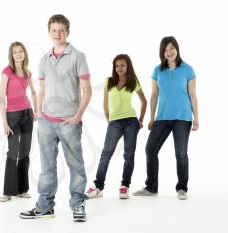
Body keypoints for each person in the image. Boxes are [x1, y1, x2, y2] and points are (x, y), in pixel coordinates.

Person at [19, 14, 92, 222]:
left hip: (69, 121)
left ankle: (78, 204)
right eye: (54, 30)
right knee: (46, 167)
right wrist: (38, 111)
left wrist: (78, 116)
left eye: (61, 30)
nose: (57, 33)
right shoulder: (44, 59)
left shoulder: (78, 56)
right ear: (49, 32)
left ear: (68, 32)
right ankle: (45, 206)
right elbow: (41, 89)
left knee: (76, 165)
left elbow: (87, 90)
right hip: (46, 122)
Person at [133, 36, 199, 200]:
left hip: (182, 117)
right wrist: (152, 118)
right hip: (162, 117)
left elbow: (192, 94)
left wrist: (196, 117)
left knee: (181, 154)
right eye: (165, 50)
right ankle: (151, 187)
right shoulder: (157, 70)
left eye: (171, 48)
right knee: (150, 150)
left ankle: (182, 188)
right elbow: (154, 95)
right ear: (162, 52)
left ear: (177, 48)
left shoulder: (188, 69)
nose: (169, 52)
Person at [86, 54, 147, 200]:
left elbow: (144, 101)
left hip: (131, 122)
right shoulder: (109, 81)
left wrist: (140, 120)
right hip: (115, 122)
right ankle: (98, 187)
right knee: (106, 153)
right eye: (117, 66)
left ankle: (124, 187)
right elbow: (105, 103)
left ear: (128, 66)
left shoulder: (133, 81)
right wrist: (109, 121)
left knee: (129, 155)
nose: (119, 68)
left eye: (123, 65)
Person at [0, 41, 37, 202]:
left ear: (24, 54)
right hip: (12, 117)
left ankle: (22, 190)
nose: (18, 54)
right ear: (11, 55)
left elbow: (34, 92)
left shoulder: (28, 72)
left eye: (21, 51)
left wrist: (36, 110)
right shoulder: (7, 72)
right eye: (15, 52)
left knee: (25, 153)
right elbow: (1, 98)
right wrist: (4, 123)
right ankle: (8, 191)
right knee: (13, 153)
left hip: (27, 114)